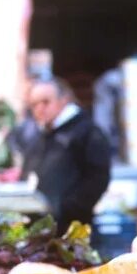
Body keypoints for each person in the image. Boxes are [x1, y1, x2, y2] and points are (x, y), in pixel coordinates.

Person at [21, 76, 111, 234]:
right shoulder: (40, 134)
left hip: (71, 229)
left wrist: (68, 208)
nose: (40, 109)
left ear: (64, 99)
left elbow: (98, 177)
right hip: (39, 228)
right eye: (34, 105)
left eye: (46, 102)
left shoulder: (87, 132)